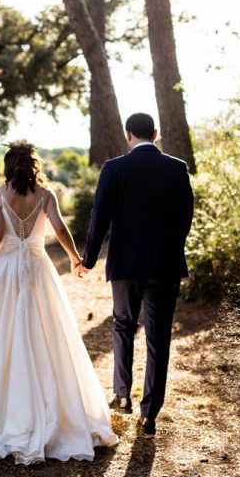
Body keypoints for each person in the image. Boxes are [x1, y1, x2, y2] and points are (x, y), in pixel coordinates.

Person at [0, 140, 118, 465]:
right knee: (46, 333)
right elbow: (59, 228)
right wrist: (75, 257)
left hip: (6, 271)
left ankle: (6, 413)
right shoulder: (46, 195)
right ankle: (55, 411)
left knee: (5, 335)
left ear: (7, 166)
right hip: (38, 267)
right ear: (34, 166)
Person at [76, 113, 194, 437]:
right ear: (154, 133)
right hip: (165, 265)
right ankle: (150, 413)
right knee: (159, 337)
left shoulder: (114, 168)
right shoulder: (177, 168)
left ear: (128, 135)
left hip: (125, 263)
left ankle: (122, 396)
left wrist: (88, 259)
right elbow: (186, 216)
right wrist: (171, 248)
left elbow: (99, 216)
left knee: (123, 325)